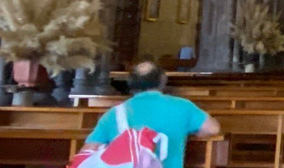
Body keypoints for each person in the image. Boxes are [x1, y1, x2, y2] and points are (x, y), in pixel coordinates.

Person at [82, 61, 220, 168]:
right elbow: (213, 128)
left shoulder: (114, 113)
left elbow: (88, 152)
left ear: (131, 83)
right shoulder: (182, 106)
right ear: (162, 81)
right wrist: (193, 133)